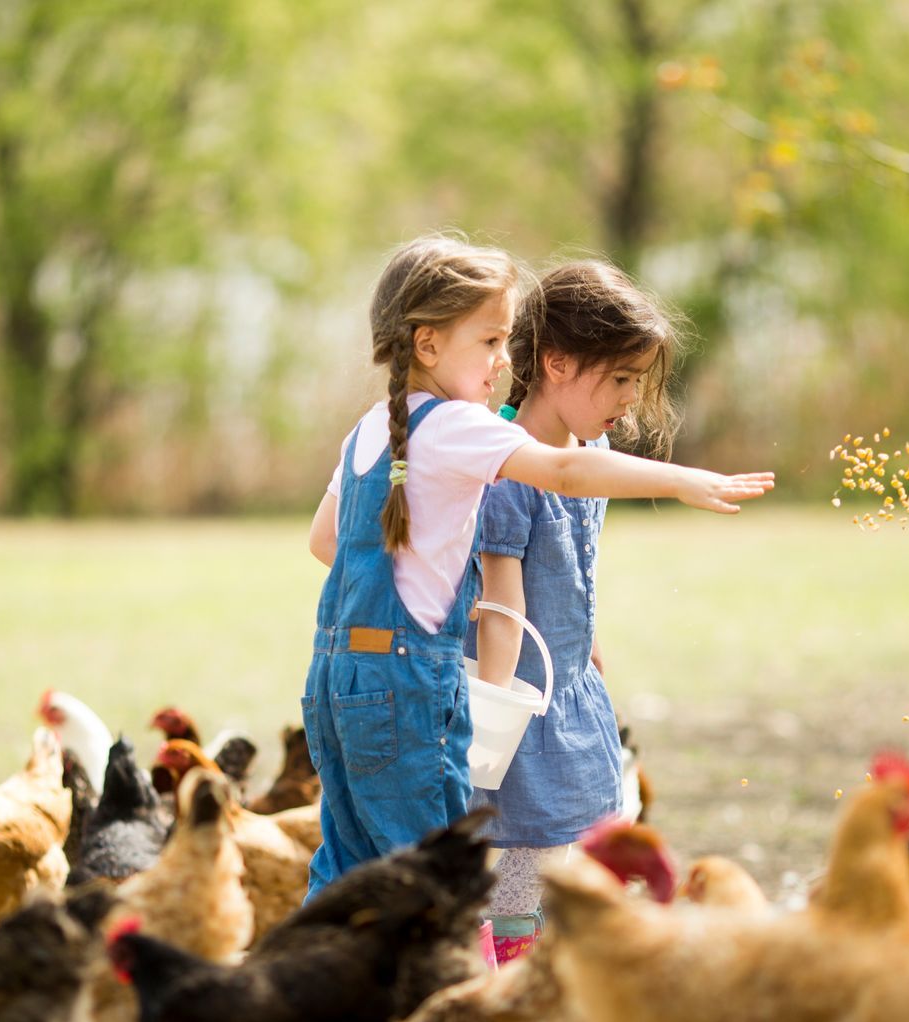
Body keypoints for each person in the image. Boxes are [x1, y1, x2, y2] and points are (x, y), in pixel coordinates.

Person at [302, 235, 773, 900]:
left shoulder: (372, 426)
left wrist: (432, 586)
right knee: (441, 884)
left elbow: (327, 542)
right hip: (408, 687)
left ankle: (303, 987)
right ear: (428, 345)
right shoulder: (457, 425)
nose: (504, 357)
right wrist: (683, 480)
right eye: (490, 341)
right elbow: (565, 469)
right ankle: (462, 989)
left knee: (346, 868)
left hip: (338, 679)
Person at [467, 260, 680, 963]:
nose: (628, 399)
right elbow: (501, 610)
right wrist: (486, 737)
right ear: (557, 363)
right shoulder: (508, 474)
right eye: (618, 379)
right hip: (522, 708)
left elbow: (575, 564)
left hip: (571, 690)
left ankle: (567, 986)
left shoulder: (595, 451)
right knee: (520, 866)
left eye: (634, 382)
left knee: (582, 855)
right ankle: (509, 991)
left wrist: (584, 642)